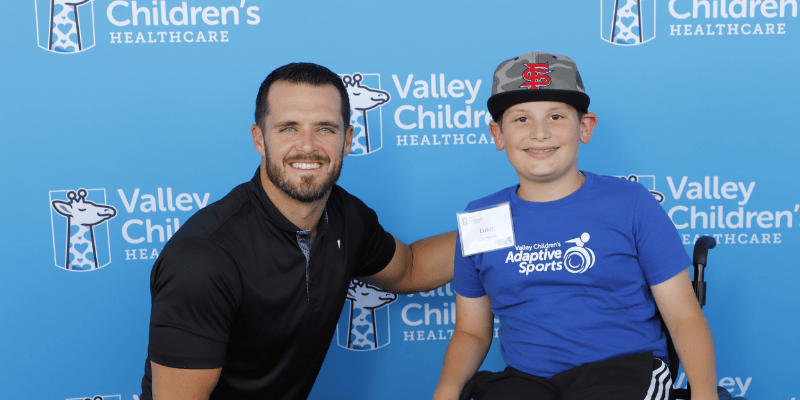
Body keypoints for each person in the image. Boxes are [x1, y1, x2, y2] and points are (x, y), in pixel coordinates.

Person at [139, 62, 456, 400]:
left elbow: (411, 268)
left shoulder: (345, 215)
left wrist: (510, 223)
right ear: (259, 139)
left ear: (347, 140)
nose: (308, 146)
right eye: (289, 128)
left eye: (325, 129)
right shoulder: (203, 261)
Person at [433, 52, 717, 400]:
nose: (540, 133)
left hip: (623, 371)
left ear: (585, 127)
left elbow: (684, 317)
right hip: (528, 380)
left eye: (556, 116)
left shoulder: (630, 203)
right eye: (521, 119)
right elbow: (471, 332)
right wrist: (444, 392)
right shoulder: (480, 218)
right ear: (498, 133)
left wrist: (705, 395)